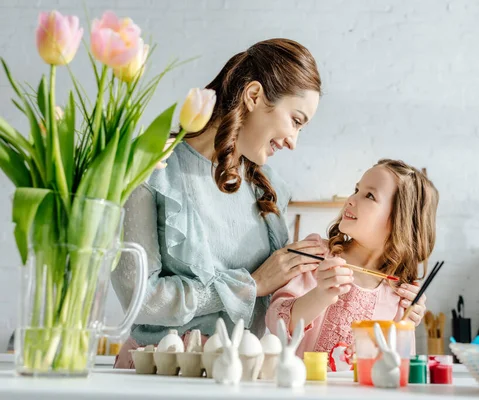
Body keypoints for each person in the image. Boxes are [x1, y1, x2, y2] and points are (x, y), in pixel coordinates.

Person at [111, 38, 427, 369]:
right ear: (254, 96)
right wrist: (252, 284)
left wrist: (400, 308)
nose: (293, 142)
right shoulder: (153, 168)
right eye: (296, 120)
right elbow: (140, 299)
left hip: (238, 379)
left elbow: (286, 310)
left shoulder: (271, 190)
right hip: (155, 374)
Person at [266, 159, 438, 358]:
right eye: (356, 189)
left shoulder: (399, 293)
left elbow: (397, 364)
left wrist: (404, 325)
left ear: (400, 221)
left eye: (369, 195)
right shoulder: (317, 255)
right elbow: (274, 323)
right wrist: (320, 295)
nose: (351, 199)